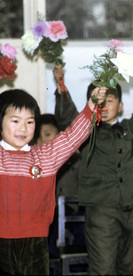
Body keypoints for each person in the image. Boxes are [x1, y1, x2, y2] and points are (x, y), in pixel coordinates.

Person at [53, 64, 133, 275]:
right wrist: (61, 84)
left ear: (120, 105)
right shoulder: (85, 132)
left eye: (110, 100)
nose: (105, 104)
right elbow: (67, 118)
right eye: (99, 100)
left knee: (128, 267)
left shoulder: (131, 128)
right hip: (101, 211)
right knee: (103, 269)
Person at [0, 87, 105, 275]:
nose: (23, 128)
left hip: (37, 243)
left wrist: (92, 105)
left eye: (30, 122)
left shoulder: (45, 157)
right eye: (15, 121)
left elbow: (72, 137)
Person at [36, 114, 85, 256]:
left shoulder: (76, 159)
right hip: (45, 214)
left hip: (73, 212)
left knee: (81, 234)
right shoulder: (35, 162)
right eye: (39, 137)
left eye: (48, 134)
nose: (44, 140)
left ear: (60, 134)